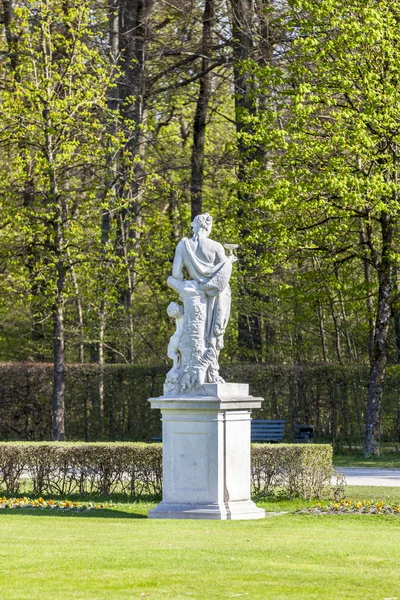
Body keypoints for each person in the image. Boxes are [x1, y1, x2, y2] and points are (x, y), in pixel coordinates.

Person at [165, 213, 236, 393]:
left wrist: (190, 284)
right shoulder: (216, 247)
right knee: (214, 334)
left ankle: (199, 373)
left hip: (194, 297)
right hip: (216, 298)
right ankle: (212, 372)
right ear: (208, 227)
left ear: (194, 227)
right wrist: (230, 261)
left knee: (194, 336)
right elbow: (223, 276)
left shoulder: (183, 245)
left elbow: (176, 276)